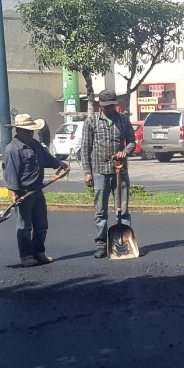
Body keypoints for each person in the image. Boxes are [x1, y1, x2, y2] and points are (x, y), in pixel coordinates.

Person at [2, 113, 70, 267]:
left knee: (41, 224)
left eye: (31, 131)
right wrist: (15, 193)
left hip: (38, 190)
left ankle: (39, 252)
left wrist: (60, 164)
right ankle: (26, 256)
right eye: (26, 131)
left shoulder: (35, 144)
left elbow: (46, 158)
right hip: (24, 192)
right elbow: (11, 174)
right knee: (24, 226)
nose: (30, 134)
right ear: (18, 131)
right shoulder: (12, 149)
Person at [80, 88, 135, 258]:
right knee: (100, 210)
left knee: (123, 209)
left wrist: (125, 151)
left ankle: (124, 241)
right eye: (106, 106)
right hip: (100, 172)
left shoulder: (123, 120)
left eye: (112, 105)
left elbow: (132, 141)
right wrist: (87, 173)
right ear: (100, 105)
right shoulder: (91, 122)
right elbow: (85, 149)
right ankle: (101, 244)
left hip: (120, 172)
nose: (110, 109)